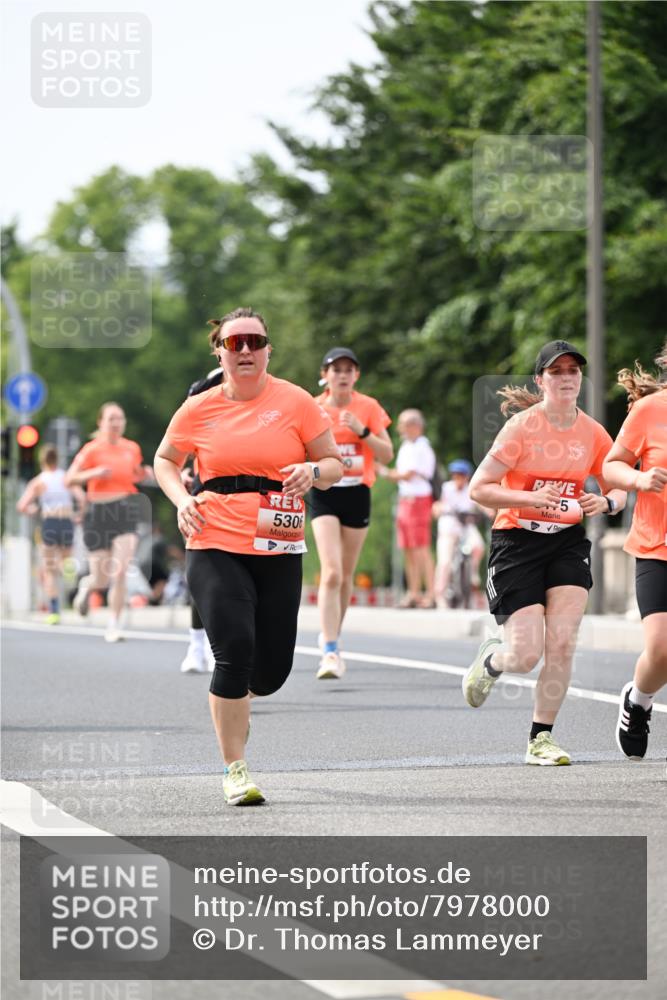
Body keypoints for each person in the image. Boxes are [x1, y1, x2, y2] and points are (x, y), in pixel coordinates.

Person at [154, 307, 342, 806]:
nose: (244, 351)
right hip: (214, 537)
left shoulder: (297, 401)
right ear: (219, 350)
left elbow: (333, 463)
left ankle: (234, 703)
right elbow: (165, 460)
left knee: (270, 672)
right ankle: (235, 768)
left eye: (253, 342)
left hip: (277, 541)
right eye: (234, 343)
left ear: (267, 350)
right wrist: (182, 500)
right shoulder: (199, 407)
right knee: (234, 649)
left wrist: (312, 470)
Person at [462, 340, 626, 765]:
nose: (567, 377)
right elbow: (478, 489)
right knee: (526, 654)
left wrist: (604, 503)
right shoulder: (521, 428)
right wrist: (530, 499)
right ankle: (495, 660)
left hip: (566, 543)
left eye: (573, 370)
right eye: (556, 372)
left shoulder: (592, 432)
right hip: (517, 543)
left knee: (563, 644)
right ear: (541, 381)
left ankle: (541, 738)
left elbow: (618, 487)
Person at [309, 347, 393, 679]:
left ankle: (332, 636)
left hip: (358, 492)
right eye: (335, 369)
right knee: (330, 572)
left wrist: (361, 431)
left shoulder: (368, 407)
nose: (342, 374)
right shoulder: (313, 408)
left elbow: (387, 455)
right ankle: (330, 651)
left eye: (348, 369)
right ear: (325, 374)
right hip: (324, 493)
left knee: (346, 575)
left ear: (356, 375)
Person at [601, 345, 667, 761]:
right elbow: (611, 467)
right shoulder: (650, 411)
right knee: (661, 648)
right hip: (657, 545)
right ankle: (638, 700)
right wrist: (639, 479)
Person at [65, 402, 153, 643]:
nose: (116, 423)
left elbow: (134, 474)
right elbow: (69, 479)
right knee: (101, 578)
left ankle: (113, 625)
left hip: (125, 509)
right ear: (101, 423)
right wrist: (93, 474)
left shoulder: (131, 448)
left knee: (121, 571)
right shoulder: (91, 450)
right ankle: (87, 586)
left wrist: (143, 474)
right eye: (111, 419)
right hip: (98, 512)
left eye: (120, 419)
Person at [180, 367, 223, 675]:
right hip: (203, 496)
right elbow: (176, 450)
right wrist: (182, 473)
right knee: (204, 577)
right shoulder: (203, 406)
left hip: (250, 504)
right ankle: (198, 644)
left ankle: (220, 645)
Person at [16, 444, 84, 625]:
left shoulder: (39, 481)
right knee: (64, 562)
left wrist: (33, 510)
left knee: (49, 570)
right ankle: (68, 569)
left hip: (50, 522)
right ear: (57, 459)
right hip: (67, 521)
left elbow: (21, 505)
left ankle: (54, 611)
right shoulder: (66, 478)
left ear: (42, 460)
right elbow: (82, 498)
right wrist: (79, 515)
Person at [378, 408, 437, 608]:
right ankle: (414, 592)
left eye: (403, 423)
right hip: (405, 499)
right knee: (408, 548)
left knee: (421, 548)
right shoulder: (406, 446)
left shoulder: (422, 447)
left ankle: (430, 593)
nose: (400, 427)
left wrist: (384, 472)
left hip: (418, 500)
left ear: (415, 426)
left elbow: (409, 474)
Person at [433, 459, 489, 609]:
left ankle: (473, 573)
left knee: (478, 546)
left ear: (467, 477)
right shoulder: (447, 488)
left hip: (466, 526)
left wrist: (488, 510)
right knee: (444, 562)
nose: (458, 479)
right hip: (449, 527)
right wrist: (438, 509)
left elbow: (480, 502)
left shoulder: (469, 489)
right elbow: (438, 504)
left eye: (461, 475)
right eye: (455, 475)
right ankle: (440, 595)